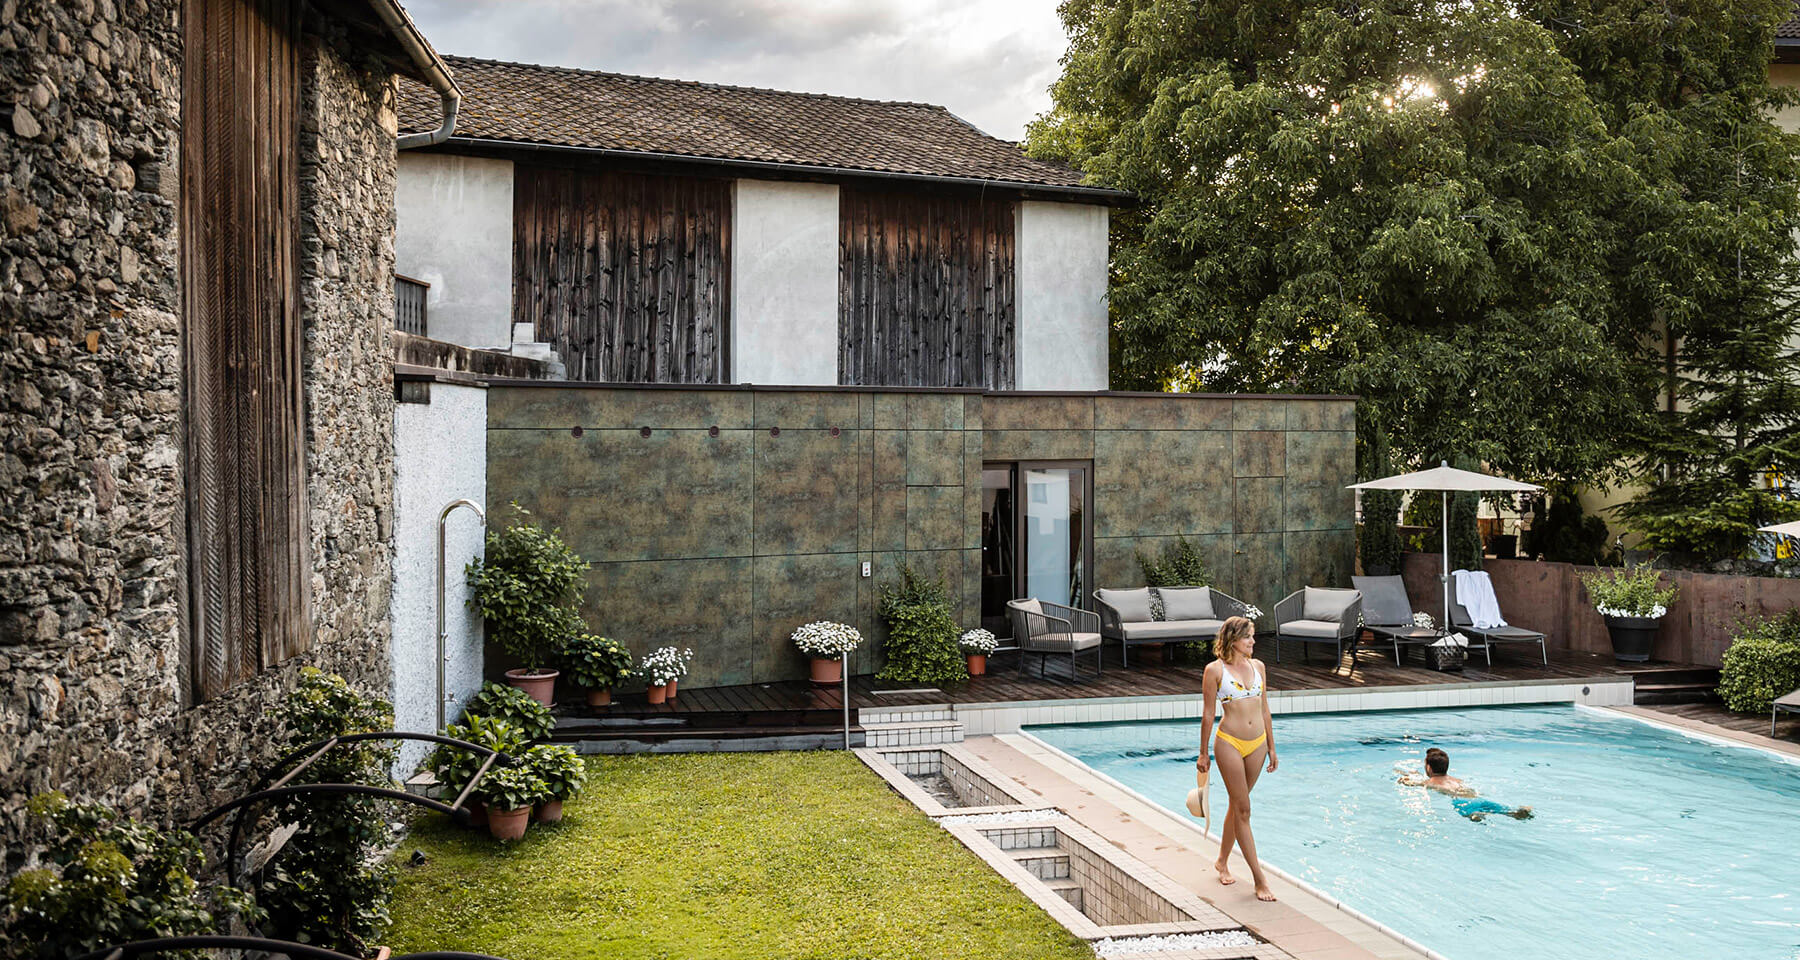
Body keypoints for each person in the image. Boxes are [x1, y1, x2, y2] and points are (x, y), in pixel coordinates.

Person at [1197, 616, 1278, 901]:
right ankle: (1259, 878)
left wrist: (1271, 745)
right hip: (1229, 743)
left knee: (1237, 805)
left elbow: (1265, 708)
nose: (1253, 642)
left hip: (1256, 745)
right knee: (1244, 809)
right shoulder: (1214, 670)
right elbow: (1208, 713)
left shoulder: (1258, 667)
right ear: (1233, 639)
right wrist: (1203, 752)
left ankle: (1221, 860)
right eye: (1249, 637)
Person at [1398, 747, 1533, 822]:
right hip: (1477, 797)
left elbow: (1412, 783)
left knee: (1471, 815)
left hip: (1462, 802)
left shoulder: (1430, 782)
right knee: (1505, 811)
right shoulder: (1456, 780)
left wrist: (1404, 779)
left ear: (1428, 768)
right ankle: (1517, 813)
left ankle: (1476, 816)